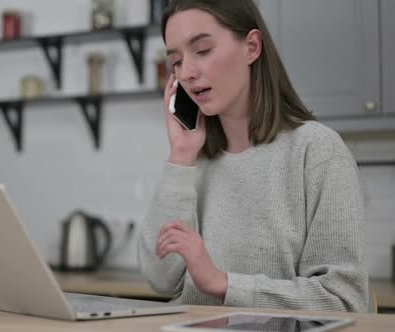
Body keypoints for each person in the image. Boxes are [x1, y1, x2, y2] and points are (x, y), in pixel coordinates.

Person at [138, 0, 368, 312]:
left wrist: (223, 284)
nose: (187, 73)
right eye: (176, 61)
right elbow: (161, 280)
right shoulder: (194, 160)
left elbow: (344, 301)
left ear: (251, 47)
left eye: (202, 50)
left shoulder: (317, 151)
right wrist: (180, 154)